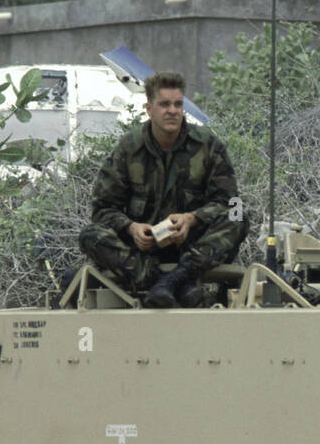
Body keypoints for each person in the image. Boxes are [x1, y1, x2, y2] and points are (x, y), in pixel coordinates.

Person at [79, 71, 247, 307]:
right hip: (142, 251)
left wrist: (192, 219)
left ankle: (177, 278)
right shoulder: (129, 148)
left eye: (178, 104)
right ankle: (166, 283)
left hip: (194, 248)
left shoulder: (208, 145)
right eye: (164, 104)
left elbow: (233, 204)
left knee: (238, 218)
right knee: (90, 235)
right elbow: (102, 209)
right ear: (149, 109)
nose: (172, 111)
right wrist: (131, 228)